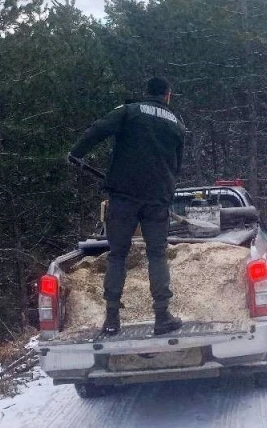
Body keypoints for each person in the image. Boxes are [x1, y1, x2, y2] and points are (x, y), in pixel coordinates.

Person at [69, 77, 185, 335]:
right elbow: (176, 166)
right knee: (157, 254)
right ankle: (162, 315)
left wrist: (76, 153)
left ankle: (111, 319)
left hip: (123, 196)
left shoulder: (129, 111)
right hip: (157, 199)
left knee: (117, 255)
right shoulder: (177, 124)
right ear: (168, 96)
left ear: (147, 93)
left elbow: (98, 129)